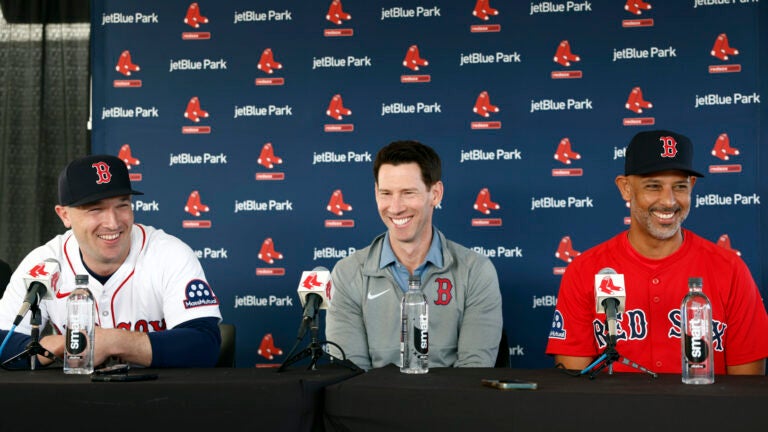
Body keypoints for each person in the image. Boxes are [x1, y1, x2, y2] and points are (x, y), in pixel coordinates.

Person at [546, 130, 768, 375]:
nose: (669, 201)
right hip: (612, 413)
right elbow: (570, 383)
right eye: (653, 186)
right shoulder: (585, 270)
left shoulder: (730, 270)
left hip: (706, 412)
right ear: (626, 188)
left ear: (692, 186)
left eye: (679, 186)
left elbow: (748, 390)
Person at [0, 154, 222, 369]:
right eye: (95, 209)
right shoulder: (44, 262)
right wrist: (63, 343)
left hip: (158, 398)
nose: (113, 222)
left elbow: (205, 345)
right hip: (73, 400)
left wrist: (111, 341)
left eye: (122, 205)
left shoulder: (169, 254)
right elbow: (3, 343)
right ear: (64, 215)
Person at [325, 140, 503, 370]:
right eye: (386, 193)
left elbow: (473, 371)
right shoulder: (347, 273)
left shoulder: (476, 271)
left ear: (436, 194)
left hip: (451, 404)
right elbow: (350, 374)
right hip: (372, 404)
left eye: (408, 193)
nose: (395, 207)